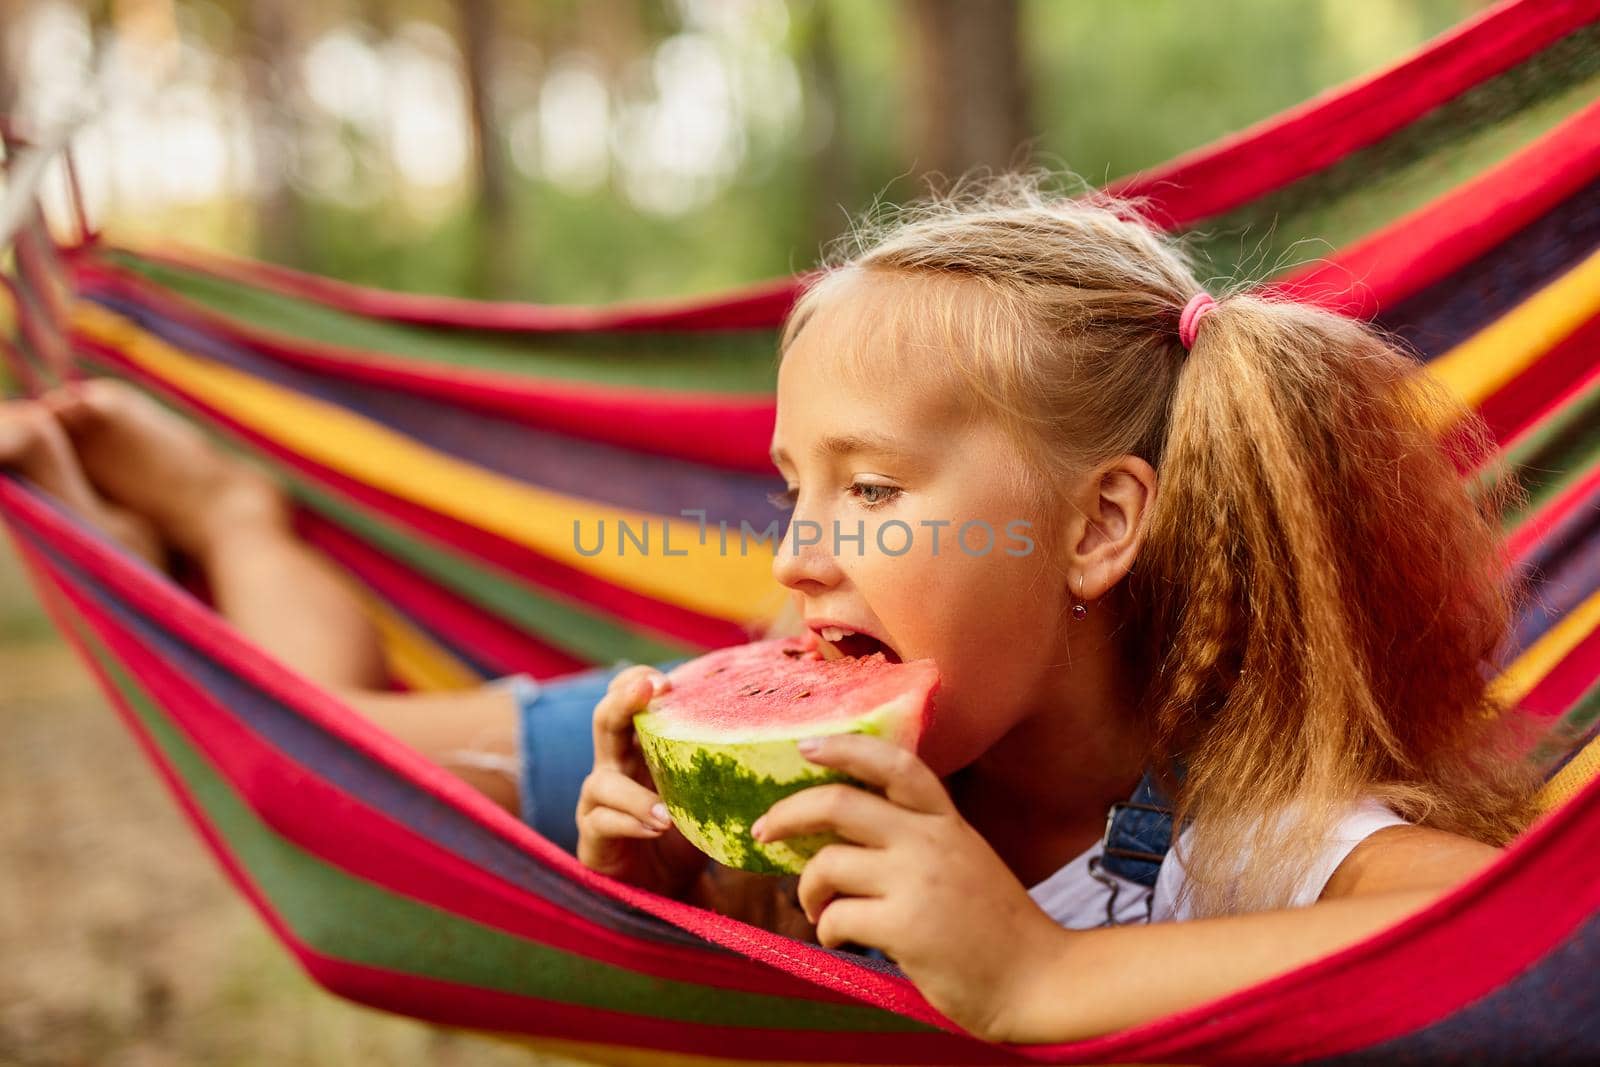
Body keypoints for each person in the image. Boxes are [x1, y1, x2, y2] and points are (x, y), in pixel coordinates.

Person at [0, 174, 1538, 1044]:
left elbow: (1524, 941)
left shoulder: (1243, 827)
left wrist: (1046, 974)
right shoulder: (795, 738)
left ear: (1098, 527)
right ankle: (226, 517)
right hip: (710, 743)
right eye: (795, 492)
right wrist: (681, 910)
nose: (799, 554)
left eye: (870, 492)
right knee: (323, 748)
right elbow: (293, 772)